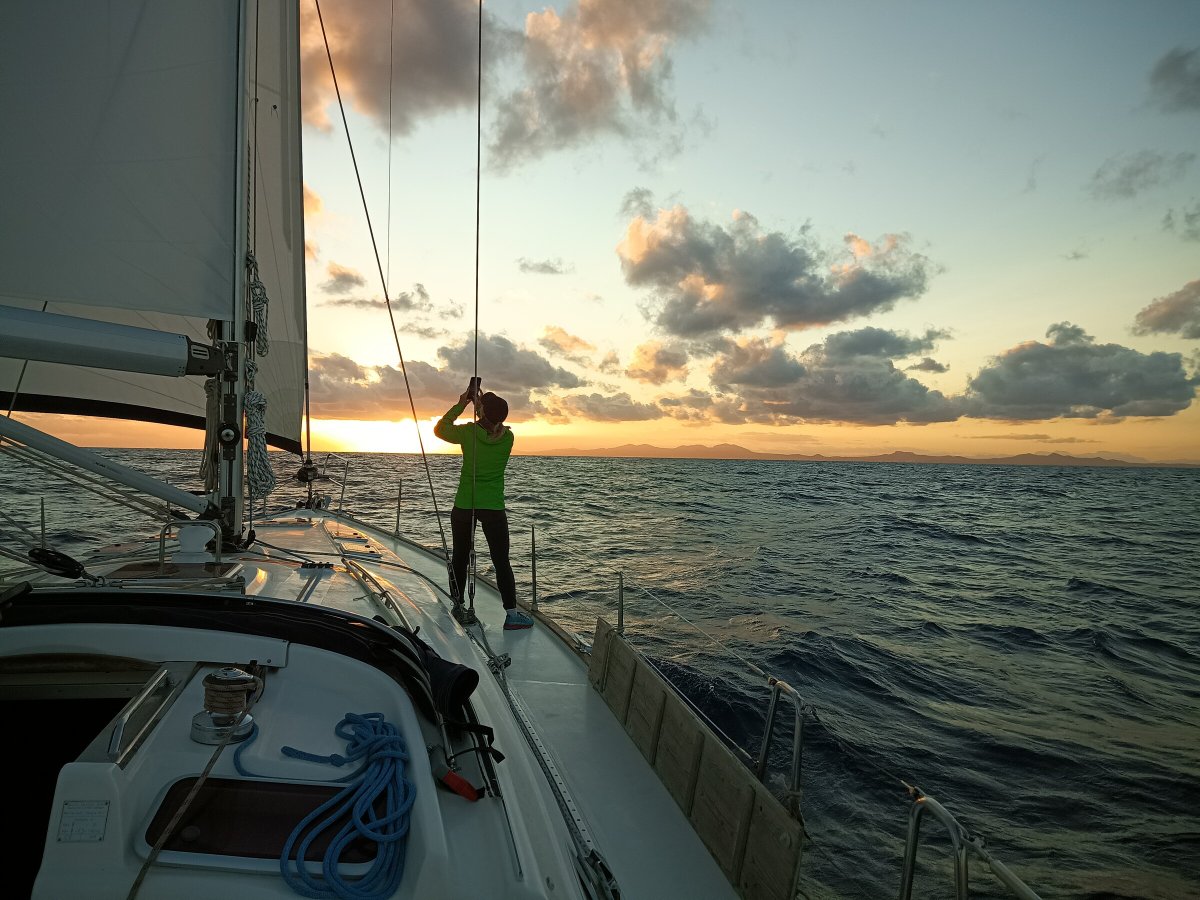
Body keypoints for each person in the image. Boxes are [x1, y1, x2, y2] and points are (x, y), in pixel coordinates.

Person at [433, 380, 533, 630]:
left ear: (480, 412)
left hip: (465, 504)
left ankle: (457, 606)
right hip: (493, 507)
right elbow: (490, 424)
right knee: (501, 561)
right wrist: (480, 406)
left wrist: (462, 404)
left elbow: (440, 429)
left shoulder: (468, 433)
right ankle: (511, 614)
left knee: (460, 557)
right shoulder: (508, 438)